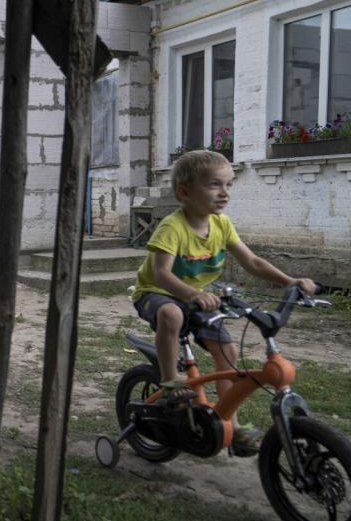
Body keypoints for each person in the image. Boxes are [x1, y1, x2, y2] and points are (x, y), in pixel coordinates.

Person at [131, 150, 316, 456]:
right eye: (214, 185)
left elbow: (253, 262)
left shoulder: (222, 225)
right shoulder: (172, 227)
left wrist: (290, 281)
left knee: (228, 352)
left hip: (198, 299)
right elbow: (162, 274)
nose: (224, 193)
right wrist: (192, 294)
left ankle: (230, 420)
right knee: (171, 313)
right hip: (157, 292)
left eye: (228, 185)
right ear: (184, 192)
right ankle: (168, 381)